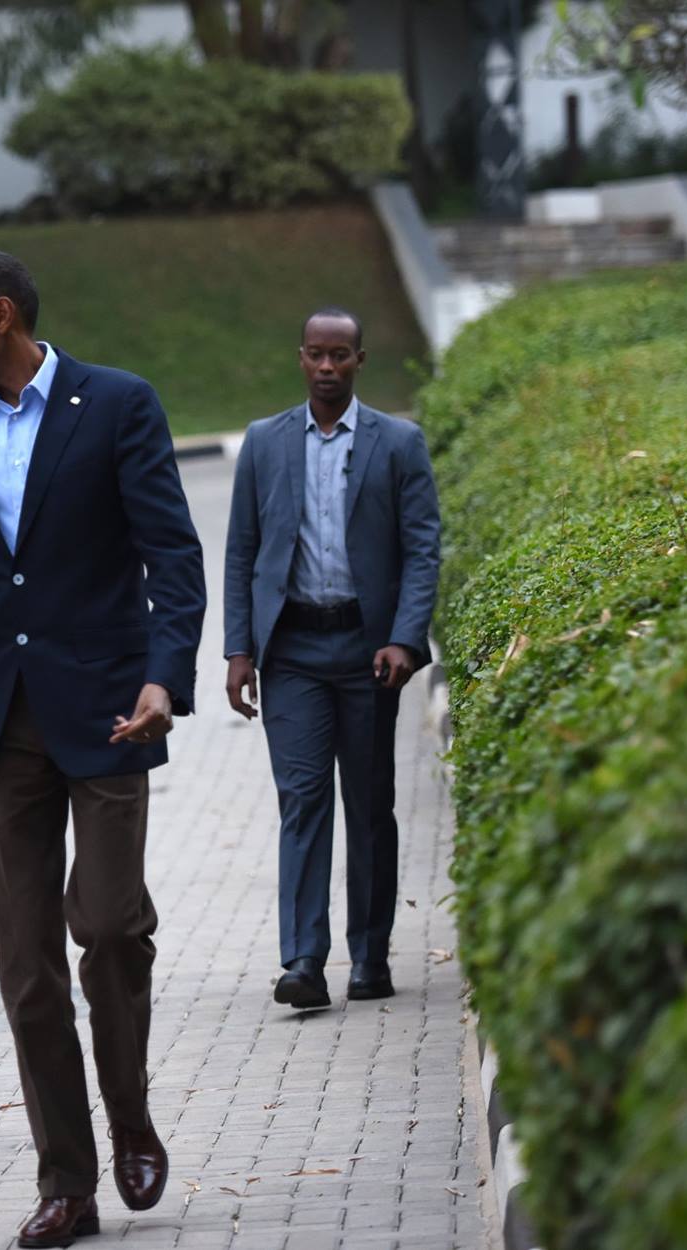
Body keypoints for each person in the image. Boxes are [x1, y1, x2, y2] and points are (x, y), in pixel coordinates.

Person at [0, 251, 208, 1249]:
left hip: (110, 707)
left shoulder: (115, 403)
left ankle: (129, 1114)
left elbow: (172, 550)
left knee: (110, 925)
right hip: (2, 720)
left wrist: (166, 675)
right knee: (26, 966)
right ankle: (66, 1181)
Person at [223, 307, 442, 1011]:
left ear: (359, 360)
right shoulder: (264, 443)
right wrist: (238, 649)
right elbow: (241, 554)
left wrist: (406, 639)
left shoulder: (399, 443)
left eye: (340, 355)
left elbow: (422, 549)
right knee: (303, 799)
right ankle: (304, 961)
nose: (326, 367)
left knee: (370, 804)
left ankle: (370, 955)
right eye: (316, 354)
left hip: (368, 651)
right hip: (292, 652)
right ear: (300, 358)